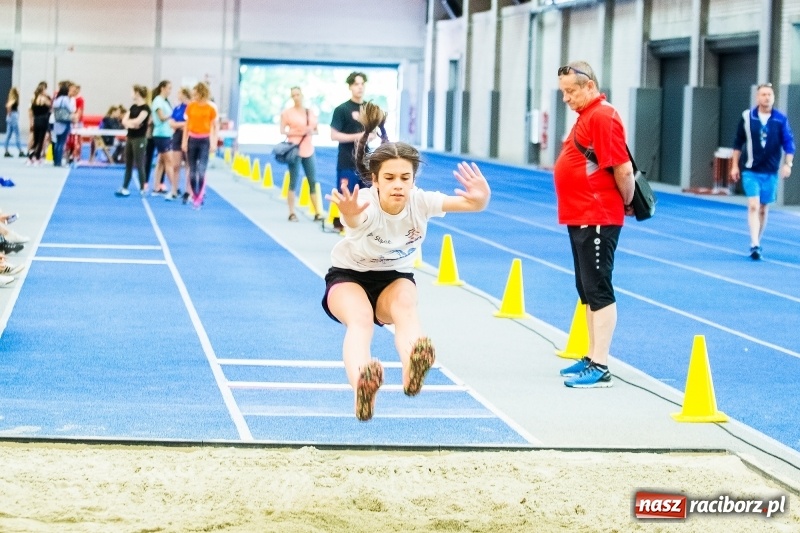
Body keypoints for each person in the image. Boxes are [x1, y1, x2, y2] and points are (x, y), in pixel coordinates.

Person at [321, 101, 491, 421]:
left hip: (394, 276)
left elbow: (468, 205)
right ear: (376, 179)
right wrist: (348, 214)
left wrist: (480, 200)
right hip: (348, 277)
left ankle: (414, 361)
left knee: (405, 307)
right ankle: (363, 382)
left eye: (405, 177)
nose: (398, 184)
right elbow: (356, 222)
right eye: (390, 178)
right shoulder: (366, 204)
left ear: (413, 179)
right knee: (359, 321)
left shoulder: (421, 202)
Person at [553, 61, 635, 389]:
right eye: (563, 93)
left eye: (571, 91)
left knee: (598, 288)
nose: (566, 99)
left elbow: (623, 169)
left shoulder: (603, 116)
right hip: (582, 215)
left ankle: (601, 365)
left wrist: (627, 201)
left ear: (590, 86)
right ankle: (591, 356)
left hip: (597, 215)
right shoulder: (587, 117)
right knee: (586, 289)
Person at [729, 83, 795, 260]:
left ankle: (758, 239)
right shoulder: (747, 117)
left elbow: (789, 144)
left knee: (764, 209)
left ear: (773, 97)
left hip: (771, 171)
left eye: (770, 95)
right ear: (758, 98)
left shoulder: (780, 119)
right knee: (753, 205)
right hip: (751, 170)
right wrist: (734, 165)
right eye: (763, 94)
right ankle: (754, 243)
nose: (767, 97)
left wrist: (788, 164)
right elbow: (738, 143)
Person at [330, 71, 372, 230]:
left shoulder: (369, 108)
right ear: (350, 87)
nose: (360, 87)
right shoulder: (342, 109)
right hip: (347, 160)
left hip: (365, 162)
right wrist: (358, 136)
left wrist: (371, 136)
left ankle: (364, 227)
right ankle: (341, 224)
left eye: (362, 84)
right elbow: (334, 136)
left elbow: (372, 133)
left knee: (366, 197)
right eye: (356, 84)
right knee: (346, 196)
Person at [280, 86, 322, 222]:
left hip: (308, 148)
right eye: (293, 95)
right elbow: (282, 130)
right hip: (294, 149)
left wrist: (310, 132)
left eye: (298, 94)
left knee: (313, 180)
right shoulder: (287, 113)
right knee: (293, 180)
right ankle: (291, 212)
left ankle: (317, 212)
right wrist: (296, 132)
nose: (296, 97)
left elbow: (316, 130)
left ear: (302, 95)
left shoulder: (310, 113)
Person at [181, 82, 218, 208]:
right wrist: (184, 141)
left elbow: (214, 126)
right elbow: (186, 125)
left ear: (202, 93)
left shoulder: (211, 108)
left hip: (204, 140)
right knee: (192, 171)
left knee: (201, 170)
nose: (193, 96)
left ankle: (199, 196)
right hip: (192, 139)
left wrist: (213, 142)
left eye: (195, 94)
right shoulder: (191, 106)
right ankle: (194, 194)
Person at [115, 85, 150, 197]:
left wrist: (131, 123)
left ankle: (142, 188)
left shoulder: (145, 108)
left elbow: (138, 121)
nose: (131, 94)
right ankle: (125, 187)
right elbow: (124, 121)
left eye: (132, 92)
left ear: (137, 93)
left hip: (139, 138)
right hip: (130, 137)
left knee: (139, 163)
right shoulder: (133, 107)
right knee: (128, 163)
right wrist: (131, 124)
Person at [150, 80, 174, 196]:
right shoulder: (158, 101)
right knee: (169, 161)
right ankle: (174, 188)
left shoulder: (165, 101)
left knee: (160, 162)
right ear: (162, 88)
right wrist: (173, 114)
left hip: (166, 133)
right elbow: (161, 117)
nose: (170, 91)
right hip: (161, 134)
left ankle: (156, 187)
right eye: (169, 88)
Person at [167, 87, 190, 201]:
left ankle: (188, 191)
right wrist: (181, 124)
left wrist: (179, 124)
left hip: (187, 136)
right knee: (175, 165)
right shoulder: (177, 108)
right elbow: (171, 123)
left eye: (179, 93)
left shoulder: (190, 108)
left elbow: (189, 123)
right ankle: (174, 190)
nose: (177, 95)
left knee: (188, 165)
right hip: (176, 137)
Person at [51, 84, 76, 168]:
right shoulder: (65, 99)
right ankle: (59, 162)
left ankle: (56, 161)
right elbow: (71, 109)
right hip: (64, 122)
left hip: (57, 122)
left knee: (57, 142)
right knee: (62, 143)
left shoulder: (56, 99)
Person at [27, 83, 51, 165]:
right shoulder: (44, 99)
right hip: (43, 120)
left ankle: (30, 157)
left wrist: (31, 122)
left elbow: (31, 111)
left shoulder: (34, 99)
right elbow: (50, 106)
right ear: (43, 91)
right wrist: (47, 96)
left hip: (36, 120)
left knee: (35, 140)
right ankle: (37, 157)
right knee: (40, 140)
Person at [4, 87, 25, 157]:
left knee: (8, 134)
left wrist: (8, 114)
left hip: (11, 117)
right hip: (13, 117)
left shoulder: (10, 99)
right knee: (17, 134)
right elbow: (8, 106)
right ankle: (20, 150)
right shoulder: (13, 99)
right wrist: (9, 113)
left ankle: (6, 150)